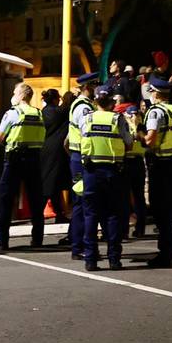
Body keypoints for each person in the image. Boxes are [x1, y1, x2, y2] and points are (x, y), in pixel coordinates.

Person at [79, 87, 132, 270]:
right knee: (113, 215)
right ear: (111, 102)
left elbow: (77, 143)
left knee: (91, 215)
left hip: (91, 172)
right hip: (113, 172)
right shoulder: (118, 119)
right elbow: (129, 144)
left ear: (94, 101)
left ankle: (91, 260)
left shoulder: (87, 118)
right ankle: (114, 259)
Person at [0, 82, 46, 249]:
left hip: (14, 159)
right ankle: (37, 239)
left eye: (15, 93)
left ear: (22, 95)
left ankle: (2, 241)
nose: (13, 96)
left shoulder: (12, 113)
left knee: (6, 198)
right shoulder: (38, 113)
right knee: (36, 200)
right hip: (34, 158)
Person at [141, 77, 172, 267]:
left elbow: (150, 140)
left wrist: (137, 132)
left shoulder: (156, 112)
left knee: (161, 209)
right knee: (170, 208)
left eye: (150, 92)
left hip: (161, 164)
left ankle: (165, 252)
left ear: (156, 93)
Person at [66, 73, 99, 256]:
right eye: (94, 86)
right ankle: (79, 246)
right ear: (88, 87)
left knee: (82, 202)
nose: (96, 90)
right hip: (82, 159)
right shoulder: (83, 108)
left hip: (78, 157)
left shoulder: (82, 106)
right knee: (82, 203)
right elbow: (88, 132)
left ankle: (78, 243)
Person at [37, 89, 69, 234]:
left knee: (48, 182)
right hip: (58, 150)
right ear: (56, 99)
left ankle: (58, 214)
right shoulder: (61, 112)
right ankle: (47, 214)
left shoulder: (42, 113)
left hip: (44, 149)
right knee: (51, 184)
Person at [122, 106, 148, 237]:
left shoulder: (140, 127)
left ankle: (138, 228)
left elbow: (144, 142)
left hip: (133, 161)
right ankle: (129, 229)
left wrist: (136, 126)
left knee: (134, 197)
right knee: (133, 197)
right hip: (132, 162)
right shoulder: (132, 126)